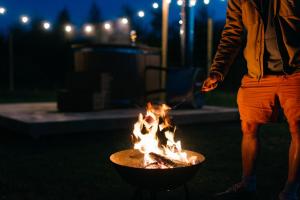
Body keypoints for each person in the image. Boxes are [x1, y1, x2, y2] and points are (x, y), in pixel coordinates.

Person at [202, 0, 300, 199]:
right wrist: (218, 71)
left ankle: (291, 189)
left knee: (298, 129)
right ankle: (248, 183)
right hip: (257, 74)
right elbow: (231, 33)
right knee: (248, 127)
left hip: (296, 71)